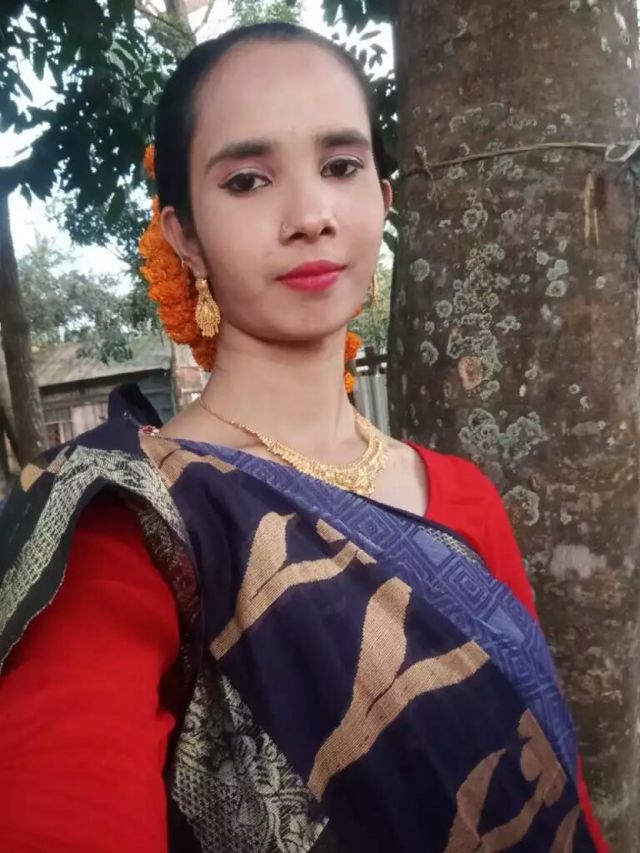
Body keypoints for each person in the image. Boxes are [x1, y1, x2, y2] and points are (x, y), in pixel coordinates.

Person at [0, 21, 607, 853]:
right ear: (184, 235)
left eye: (341, 166)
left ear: (383, 200)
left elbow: (559, 792)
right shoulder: (132, 524)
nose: (311, 216)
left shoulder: (463, 496)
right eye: (248, 180)